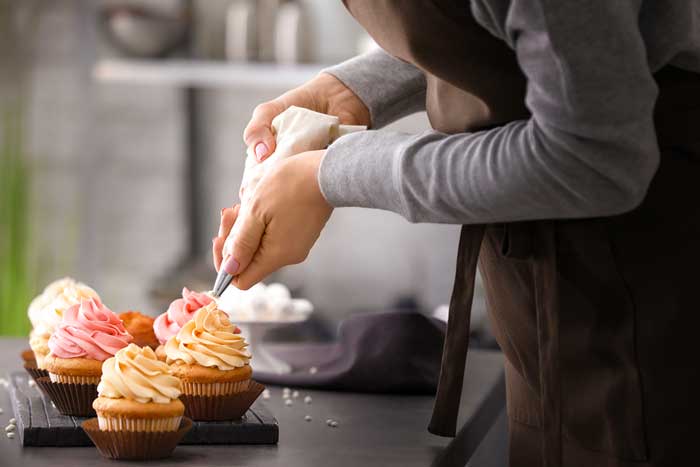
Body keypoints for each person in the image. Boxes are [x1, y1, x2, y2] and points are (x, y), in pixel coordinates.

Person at [213, 1, 700, 466]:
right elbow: (509, 26)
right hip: (546, 298)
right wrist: (354, 90)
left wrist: (331, 175)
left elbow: (594, 158)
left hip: (652, 299)